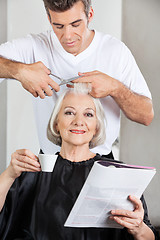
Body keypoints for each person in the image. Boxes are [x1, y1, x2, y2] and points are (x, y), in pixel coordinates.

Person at [0, 84, 158, 240]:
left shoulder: (118, 175)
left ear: (96, 127)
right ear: (56, 123)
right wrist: (8, 175)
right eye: (69, 112)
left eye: (88, 114)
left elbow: (149, 236)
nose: (78, 121)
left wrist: (138, 228)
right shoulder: (32, 170)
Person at [0, 0, 154, 158]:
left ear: (90, 15)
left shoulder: (116, 52)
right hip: (52, 162)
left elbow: (146, 115)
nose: (67, 36)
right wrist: (19, 71)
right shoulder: (34, 47)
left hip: (100, 162)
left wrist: (115, 88)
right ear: (49, 18)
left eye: (75, 24)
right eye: (58, 26)